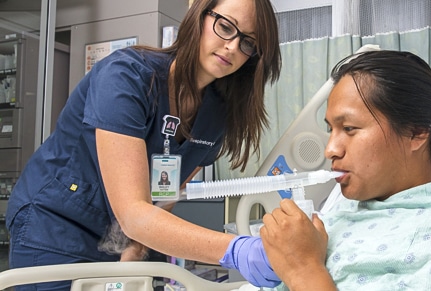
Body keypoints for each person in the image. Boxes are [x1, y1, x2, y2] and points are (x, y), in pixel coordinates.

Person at [6, 0, 282, 289]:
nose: (233, 47)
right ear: (198, 17)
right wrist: (236, 250)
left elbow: (164, 195)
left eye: (248, 43)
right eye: (225, 27)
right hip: (57, 225)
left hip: (131, 237)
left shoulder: (218, 114)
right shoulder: (126, 77)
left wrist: (134, 252)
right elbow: (134, 213)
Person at [260, 50, 431, 290]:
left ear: (416, 132)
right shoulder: (345, 215)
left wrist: (304, 270)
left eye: (349, 128)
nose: (330, 150)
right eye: (331, 129)